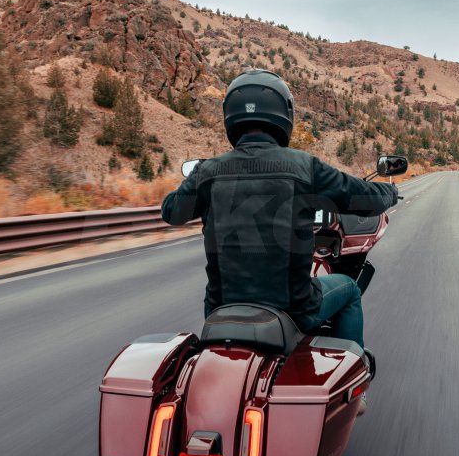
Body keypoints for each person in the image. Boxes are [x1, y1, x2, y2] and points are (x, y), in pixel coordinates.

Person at [160, 69, 398, 363]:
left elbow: (171, 211)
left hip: (220, 310)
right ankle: (354, 373)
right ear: (283, 114)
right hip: (295, 308)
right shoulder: (303, 166)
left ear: (230, 116)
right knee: (348, 289)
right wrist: (389, 193)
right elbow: (361, 198)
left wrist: (198, 180)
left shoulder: (207, 171)